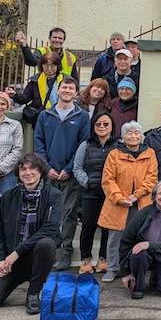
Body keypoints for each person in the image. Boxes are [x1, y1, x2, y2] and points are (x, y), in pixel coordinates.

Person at [0, 154, 62, 314]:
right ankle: (16, 278)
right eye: (23, 169)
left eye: (33, 168)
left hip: (34, 257)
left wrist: (17, 253)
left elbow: (50, 229)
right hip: (11, 261)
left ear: (41, 171)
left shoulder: (54, 195)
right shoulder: (8, 197)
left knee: (47, 243)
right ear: (18, 173)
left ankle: (33, 292)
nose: (28, 172)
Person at [34, 76, 90, 271]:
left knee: (68, 215)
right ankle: (47, 251)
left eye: (71, 88)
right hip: (48, 173)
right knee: (46, 213)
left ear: (76, 93)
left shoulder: (82, 116)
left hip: (70, 175)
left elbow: (83, 145)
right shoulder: (45, 115)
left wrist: (68, 169)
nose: (67, 91)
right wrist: (47, 168)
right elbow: (38, 143)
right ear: (58, 90)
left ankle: (66, 252)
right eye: (64, 87)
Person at [98, 121, 159, 283]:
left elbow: (152, 178)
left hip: (141, 202)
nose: (133, 136)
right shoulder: (114, 154)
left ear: (142, 136)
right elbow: (108, 179)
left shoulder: (150, 153)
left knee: (141, 236)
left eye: (136, 133)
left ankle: (136, 267)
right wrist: (119, 198)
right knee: (115, 238)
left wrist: (136, 195)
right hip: (118, 203)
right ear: (123, 138)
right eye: (129, 133)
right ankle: (113, 268)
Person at [119, 181, 161, 299]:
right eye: (160, 193)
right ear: (154, 196)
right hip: (143, 256)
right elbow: (126, 240)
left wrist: (149, 244)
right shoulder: (143, 214)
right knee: (139, 252)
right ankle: (138, 287)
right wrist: (125, 273)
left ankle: (156, 276)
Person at [71, 112, 117, 275]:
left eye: (106, 124)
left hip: (111, 194)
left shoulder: (119, 145)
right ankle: (86, 259)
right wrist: (87, 182)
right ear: (93, 126)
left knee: (107, 227)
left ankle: (103, 259)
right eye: (98, 124)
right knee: (88, 227)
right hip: (90, 193)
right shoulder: (86, 145)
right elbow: (77, 167)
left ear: (112, 126)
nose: (102, 127)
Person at [5, 51, 67, 127]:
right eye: (46, 65)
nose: (49, 68)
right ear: (41, 66)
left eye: (53, 65)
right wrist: (15, 95)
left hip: (62, 118)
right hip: (41, 120)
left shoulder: (66, 80)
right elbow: (25, 98)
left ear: (58, 66)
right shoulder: (35, 81)